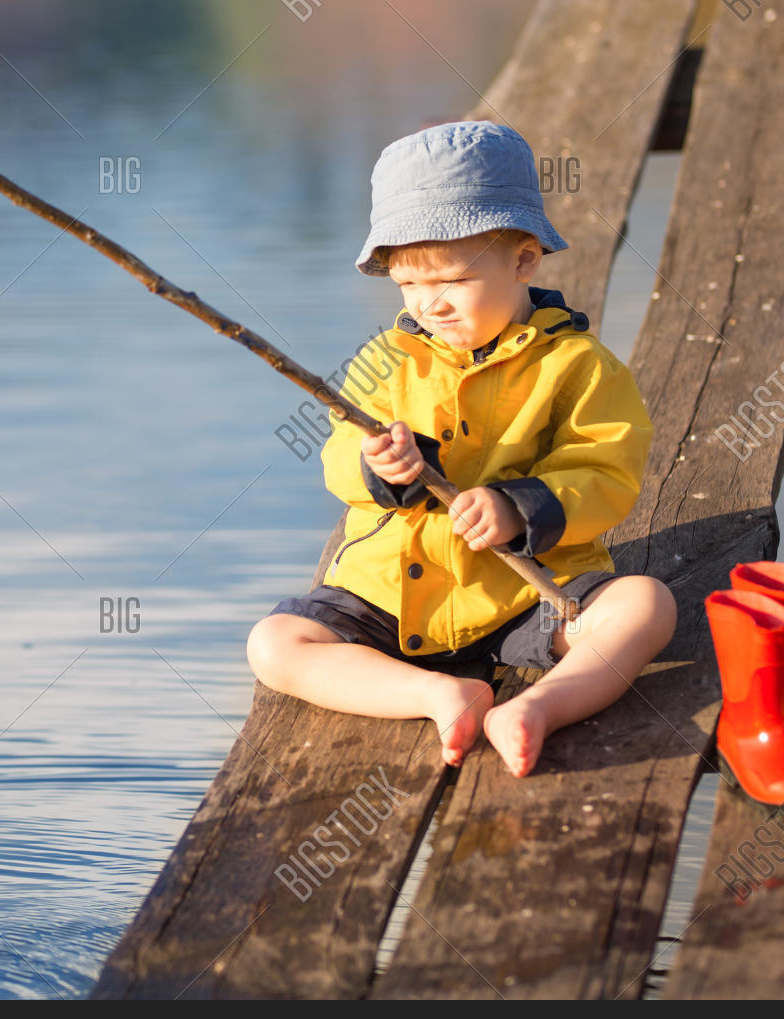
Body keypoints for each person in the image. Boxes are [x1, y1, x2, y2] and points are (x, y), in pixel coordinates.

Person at [246, 121, 677, 778]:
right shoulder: (383, 359)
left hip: (519, 596)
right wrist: (380, 467)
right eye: (409, 286)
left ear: (524, 260)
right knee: (275, 644)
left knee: (645, 606)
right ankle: (434, 694)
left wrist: (519, 508)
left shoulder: (579, 366)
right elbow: (339, 454)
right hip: (390, 595)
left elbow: (606, 472)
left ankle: (540, 706)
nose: (430, 305)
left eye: (448, 280)